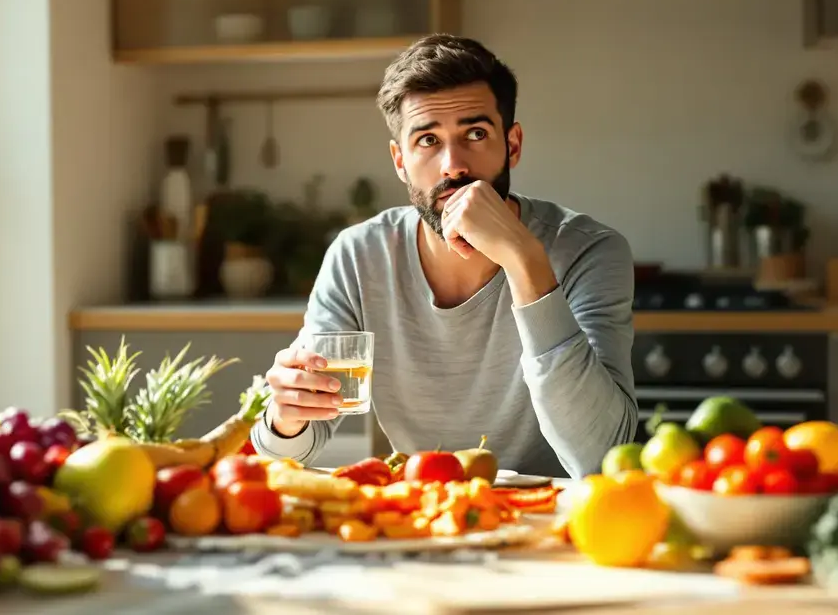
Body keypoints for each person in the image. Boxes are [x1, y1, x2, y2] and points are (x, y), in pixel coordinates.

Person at [249, 34, 637, 478]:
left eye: (475, 133)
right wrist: (286, 417)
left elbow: (602, 457)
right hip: (424, 516)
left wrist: (526, 261)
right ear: (400, 161)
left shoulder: (590, 250)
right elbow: (290, 452)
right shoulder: (359, 256)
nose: (453, 164)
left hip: (561, 524)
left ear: (512, 145)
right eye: (428, 140)